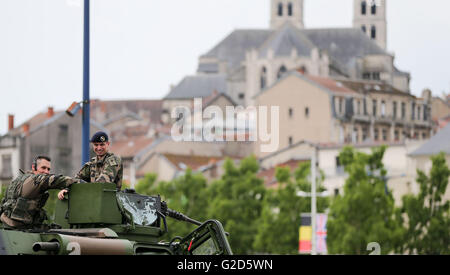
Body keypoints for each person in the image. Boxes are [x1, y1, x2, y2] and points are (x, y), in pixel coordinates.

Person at [0, 156, 83, 230]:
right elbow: (57, 180)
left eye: (48, 169)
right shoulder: (35, 180)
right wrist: (79, 182)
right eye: (43, 168)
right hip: (20, 230)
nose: (46, 172)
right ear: (34, 167)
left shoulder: (16, 181)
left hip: (7, 228)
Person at [58, 132, 123, 201]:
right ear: (92, 145)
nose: (99, 148)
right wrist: (67, 189)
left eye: (102, 145)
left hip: (110, 201)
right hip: (94, 200)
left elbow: (103, 183)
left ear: (108, 144)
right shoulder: (92, 164)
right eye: (96, 145)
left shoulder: (114, 160)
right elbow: (77, 179)